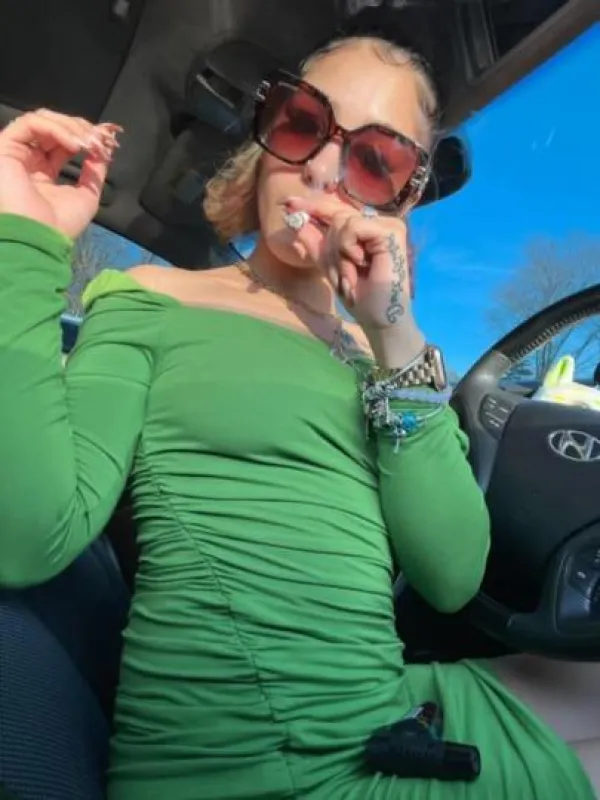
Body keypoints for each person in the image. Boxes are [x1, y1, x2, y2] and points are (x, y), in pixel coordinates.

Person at [0, 34, 597, 800]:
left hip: (373, 706)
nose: (320, 168)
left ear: (403, 198)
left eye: (375, 160)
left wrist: (394, 334)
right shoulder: (153, 300)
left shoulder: (385, 353)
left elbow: (451, 576)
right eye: (303, 123)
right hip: (257, 766)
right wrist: (25, 243)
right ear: (266, 134)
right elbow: (29, 535)